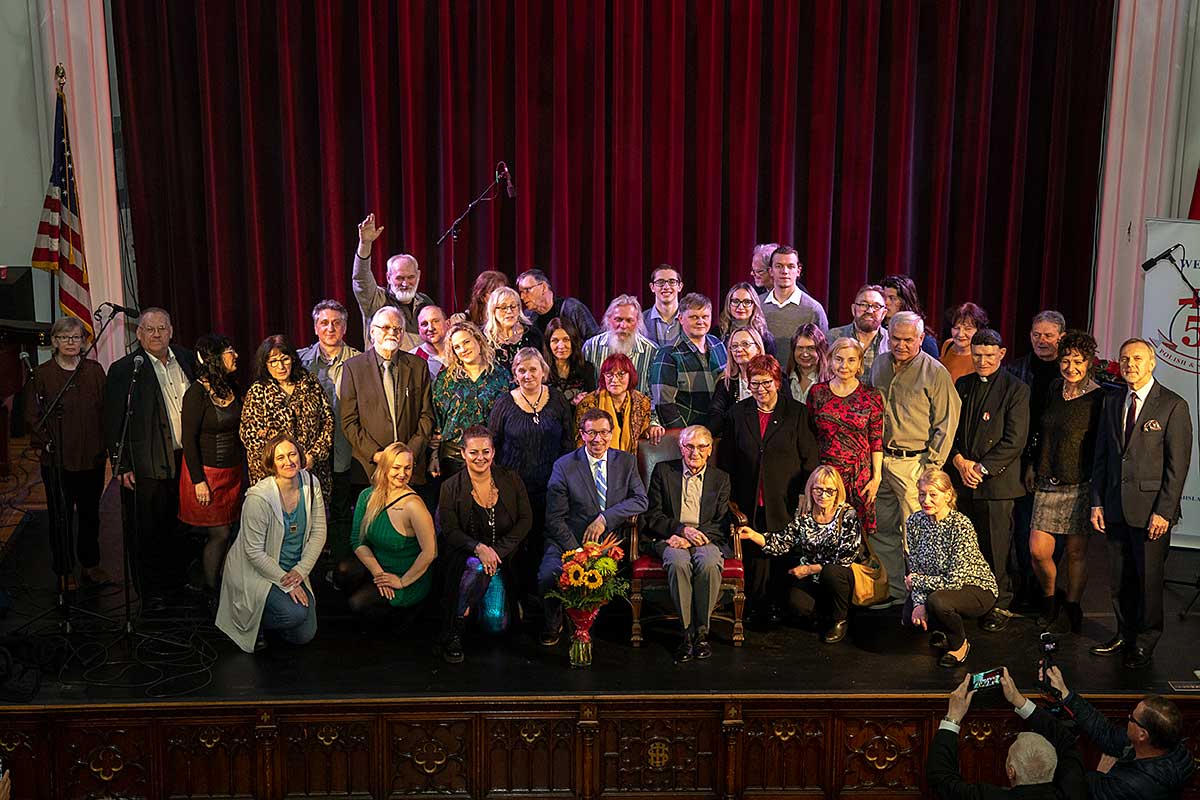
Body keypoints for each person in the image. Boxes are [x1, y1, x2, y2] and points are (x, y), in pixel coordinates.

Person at [1090, 338, 1192, 668]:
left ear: (1152, 363)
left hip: (1151, 512)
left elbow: (1177, 467)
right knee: (1119, 579)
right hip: (1114, 506)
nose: (1130, 364)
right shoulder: (1112, 401)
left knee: (1148, 581)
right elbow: (1102, 457)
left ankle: (1145, 642)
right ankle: (1124, 633)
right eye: (1125, 359)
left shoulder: (1173, 405)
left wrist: (1164, 511)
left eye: (1137, 358)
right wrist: (1096, 502)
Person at [103, 307, 198, 603]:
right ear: (139, 334)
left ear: (171, 331)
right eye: (150, 329)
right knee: (146, 529)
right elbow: (113, 421)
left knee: (180, 526)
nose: (157, 335)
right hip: (147, 462)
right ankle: (150, 592)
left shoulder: (186, 358)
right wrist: (121, 464)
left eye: (162, 328)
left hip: (186, 459)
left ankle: (178, 583)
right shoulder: (124, 370)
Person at [719, 355, 820, 624]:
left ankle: (778, 606)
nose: (761, 389)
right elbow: (726, 461)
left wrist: (804, 493)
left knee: (781, 553)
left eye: (766, 383)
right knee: (753, 554)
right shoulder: (737, 414)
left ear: (777, 382)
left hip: (784, 497)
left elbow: (810, 458)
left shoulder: (797, 412)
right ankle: (753, 606)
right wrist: (728, 499)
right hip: (747, 497)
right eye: (754, 384)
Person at [871, 311, 961, 605]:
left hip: (915, 464)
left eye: (908, 340)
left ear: (921, 338)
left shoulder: (935, 372)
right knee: (882, 530)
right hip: (880, 461)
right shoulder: (879, 364)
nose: (901, 345)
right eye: (895, 338)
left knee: (917, 535)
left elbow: (946, 423)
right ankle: (895, 592)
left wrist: (931, 468)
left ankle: (921, 599)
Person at [539, 408, 648, 645]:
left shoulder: (626, 461)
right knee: (548, 575)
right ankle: (553, 625)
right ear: (581, 434)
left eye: (603, 432)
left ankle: (593, 628)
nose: (598, 439)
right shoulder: (564, 466)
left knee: (608, 579)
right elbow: (555, 519)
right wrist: (578, 552)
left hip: (608, 541)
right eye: (591, 433)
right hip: (568, 539)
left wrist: (605, 518)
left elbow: (641, 500)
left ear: (611, 433)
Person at [947, 329, 1029, 633]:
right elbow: (952, 429)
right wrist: (959, 461)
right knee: (966, 546)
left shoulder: (1016, 389)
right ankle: (972, 599)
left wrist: (979, 469)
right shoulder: (963, 384)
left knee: (996, 547)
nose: (982, 361)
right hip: (963, 479)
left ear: (1002, 354)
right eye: (977, 355)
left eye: (989, 355)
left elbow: (1014, 440)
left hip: (996, 484)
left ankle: (1000, 604)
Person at [215, 434, 326, 652]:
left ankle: (273, 615)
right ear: (271, 463)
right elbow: (254, 552)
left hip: (293, 570)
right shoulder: (258, 498)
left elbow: (319, 532)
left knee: (304, 634)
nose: (289, 461)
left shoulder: (311, 484)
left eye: (292, 454)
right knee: (294, 614)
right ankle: (254, 623)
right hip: (259, 571)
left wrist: (300, 571)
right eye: (281, 457)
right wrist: (288, 584)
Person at [1027, 330, 1103, 633]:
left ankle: (1072, 605)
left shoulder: (1099, 397)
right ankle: (1049, 600)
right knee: (1038, 551)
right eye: (1066, 360)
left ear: (1089, 363)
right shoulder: (1054, 387)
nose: (1070, 367)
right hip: (1047, 479)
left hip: (1079, 484)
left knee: (1075, 553)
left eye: (1078, 361)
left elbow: (1100, 447)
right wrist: (1032, 464)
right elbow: (1042, 430)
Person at [24, 316, 108, 585]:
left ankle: (90, 565)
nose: (71, 342)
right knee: (60, 518)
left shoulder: (94, 371)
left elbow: (106, 410)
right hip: (58, 461)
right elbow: (32, 415)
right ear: (54, 342)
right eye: (64, 337)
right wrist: (46, 441)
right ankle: (63, 570)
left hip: (92, 458)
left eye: (76, 337)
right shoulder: (41, 374)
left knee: (90, 515)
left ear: (83, 342)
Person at [438, 426, 532, 662]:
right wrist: (479, 549)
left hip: (502, 559)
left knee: (495, 624)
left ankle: (476, 604)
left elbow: (525, 520)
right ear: (463, 453)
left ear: (493, 452)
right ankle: (455, 625)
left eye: (486, 451)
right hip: (466, 558)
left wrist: (496, 552)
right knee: (477, 566)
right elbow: (450, 531)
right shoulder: (450, 487)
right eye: (473, 452)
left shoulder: (511, 479)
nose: (480, 457)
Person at [489, 348, 575, 604]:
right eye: (522, 370)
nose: (528, 375)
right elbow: (493, 445)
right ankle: (518, 600)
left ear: (543, 371)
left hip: (551, 488)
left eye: (533, 369)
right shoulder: (504, 403)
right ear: (515, 374)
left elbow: (568, 443)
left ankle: (544, 599)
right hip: (514, 490)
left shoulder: (557, 400)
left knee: (544, 543)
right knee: (517, 544)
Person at [737, 466, 861, 643]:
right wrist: (753, 536)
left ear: (837, 491)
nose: (823, 495)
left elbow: (846, 557)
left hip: (838, 574)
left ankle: (840, 619)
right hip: (812, 578)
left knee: (831, 573)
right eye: (818, 489)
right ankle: (822, 614)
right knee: (796, 603)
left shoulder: (847, 514)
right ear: (810, 489)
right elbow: (783, 542)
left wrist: (810, 569)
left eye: (829, 491)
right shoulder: (804, 515)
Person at [643, 424, 731, 660]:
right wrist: (681, 531)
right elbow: (653, 514)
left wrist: (693, 538)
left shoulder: (720, 478)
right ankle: (686, 633)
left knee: (709, 563)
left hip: (705, 539)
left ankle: (701, 633)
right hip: (671, 537)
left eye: (702, 447)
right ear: (681, 448)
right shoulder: (663, 471)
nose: (695, 452)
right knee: (678, 562)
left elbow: (721, 521)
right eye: (689, 446)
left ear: (710, 449)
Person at [927, 668, 1085, 800]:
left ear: (1011, 771)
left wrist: (953, 716)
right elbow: (1067, 741)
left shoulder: (987, 797)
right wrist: (1019, 701)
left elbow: (941, 778)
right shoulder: (1073, 792)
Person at [340, 305, 435, 520]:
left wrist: (408, 455)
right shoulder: (353, 368)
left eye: (398, 329)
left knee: (410, 529)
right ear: (372, 332)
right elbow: (349, 421)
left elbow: (427, 415)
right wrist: (378, 455)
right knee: (372, 528)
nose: (392, 332)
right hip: (370, 468)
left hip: (410, 469)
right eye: (385, 327)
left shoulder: (418, 366)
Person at [1042, 665, 1194, 799]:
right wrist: (1066, 695)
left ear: (1142, 735)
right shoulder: (1172, 749)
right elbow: (1105, 732)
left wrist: (1103, 774)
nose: (1128, 719)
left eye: (1131, 718)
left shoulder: (1128, 785)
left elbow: (1081, 788)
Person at [903, 469, 997, 667]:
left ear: (948, 495)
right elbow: (916, 567)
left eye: (933, 494)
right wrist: (918, 603)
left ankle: (959, 645)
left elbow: (954, 580)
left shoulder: (960, 525)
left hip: (975, 587)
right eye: (922, 494)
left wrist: (917, 582)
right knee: (909, 617)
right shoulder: (914, 522)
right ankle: (943, 629)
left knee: (937, 602)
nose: (926, 500)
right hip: (937, 585)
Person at [338, 442, 437, 619]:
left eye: (407, 468)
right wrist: (379, 574)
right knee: (343, 571)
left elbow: (430, 553)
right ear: (384, 467)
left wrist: (402, 581)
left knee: (358, 604)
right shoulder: (367, 496)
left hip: (407, 575)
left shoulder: (414, 506)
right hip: (379, 566)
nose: (402, 474)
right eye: (396, 467)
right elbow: (357, 540)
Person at [1009, 309, 1067, 610]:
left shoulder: (1071, 372)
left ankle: (1048, 592)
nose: (1041, 340)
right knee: (1022, 529)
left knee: (1053, 533)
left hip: (1059, 467)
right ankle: (1025, 588)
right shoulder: (1016, 369)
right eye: (1036, 334)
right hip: (1021, 463)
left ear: (1061, 337)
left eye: (1048, 335)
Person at [179, 334, 244, 598]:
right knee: (220, 533)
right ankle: (210, 590)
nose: (235, 355)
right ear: (215, 358)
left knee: (232, 531)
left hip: (232, 473)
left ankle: (222, 582)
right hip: (206, 475)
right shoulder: (196, 394)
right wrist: (199, 481)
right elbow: (188, 441)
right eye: (230, 351)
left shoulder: (232, 386)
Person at [297, 300, 362, 558]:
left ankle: (340, 563)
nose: (330, 328)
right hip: (309, 452)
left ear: (345, 328)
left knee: (342, 509)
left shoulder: (359, 361)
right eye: (324, 323)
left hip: (346, 449)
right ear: (315, 327)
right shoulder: (299, 361)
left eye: (336, 323)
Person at [240, 335, 334, 499]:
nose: (281, 366)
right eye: (273, 361)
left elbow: (328, 421)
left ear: (293, 359)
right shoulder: (258, 391)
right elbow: (250, 436)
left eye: (285, 359)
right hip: (274, 477)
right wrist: (283, 463)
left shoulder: (310, 383)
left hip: (311, 470)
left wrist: (313, 455)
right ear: (265, 364)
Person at [807, 338, 884, 538]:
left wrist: (876, 478)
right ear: (830, 360)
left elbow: (876, 440)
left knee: (856, 536)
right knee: (824, 533)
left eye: (851, 360)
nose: (844, 366)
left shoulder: (872, 396)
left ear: (859, 363)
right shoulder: (817, 393)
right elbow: (810, 436)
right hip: (826, 476)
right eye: (839, 359)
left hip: (859, 477)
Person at [432, 321, 512, 476]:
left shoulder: (501, 376)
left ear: (478, 341)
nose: (463, 349)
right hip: (454, 456)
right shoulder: (444, 380)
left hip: (493, 455)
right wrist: (433, 456)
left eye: (466, 342)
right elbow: (437, 422)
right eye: (457, 347)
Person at [649, 293, 728, 428]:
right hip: (687, 433)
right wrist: (684, 434)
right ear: (680, 318)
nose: (700, 322)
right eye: (694, 317)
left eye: (705, 317)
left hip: (719, 430)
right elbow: (664, 404)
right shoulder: (668, 353)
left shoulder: (718, 345)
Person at [352, 213, 432, 346]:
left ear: (418, 275)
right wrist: (365, 244)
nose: (405, 283)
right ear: (388, 278)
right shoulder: (376, 300)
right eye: (399, 278)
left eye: (411, 277)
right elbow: (361, 278)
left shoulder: (425, 302)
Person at [581, 294, 661, 413]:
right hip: (598, 416)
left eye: (629, 320)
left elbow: (656, 396)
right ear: (608, 320)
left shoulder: (652, 351)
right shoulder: (591, 347)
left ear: (638, 322)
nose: (623, 326)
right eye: (618, 319)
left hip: (638, 416)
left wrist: (650, 420)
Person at [575, 353, 662, 452]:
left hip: (632, 459)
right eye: (609, 374)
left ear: (630, 376)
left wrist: (652, 428)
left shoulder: (642, 402)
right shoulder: (588, 404)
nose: (615, 380)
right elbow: (580, 442)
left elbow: (643, 431)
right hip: (596, 458)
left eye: (621, 374)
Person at [706, 327, 766, 437]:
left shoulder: (775, 380)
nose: (739, 349)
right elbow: (715, 416)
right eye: (734, 346)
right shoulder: (726, 383)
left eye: (745, 344)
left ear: (758, 348)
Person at [761, 246, 829, 343]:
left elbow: (823, 347)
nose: (785, 271)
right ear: (770, 271)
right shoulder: (757, 305)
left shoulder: (813, 309)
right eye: (779, 266)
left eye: (790, 266)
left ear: (798, 271)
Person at [516, 267, 600, 340]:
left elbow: (595, 342)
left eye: (527, 290)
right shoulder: (528, 317)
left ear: (544, 287)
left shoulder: (572, 308)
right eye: (521, 292)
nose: (522, 297)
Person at [827, 284, 889, 375]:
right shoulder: (833, 337)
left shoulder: (891, 342)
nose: (869, 311)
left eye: (876, 306)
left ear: (883, 314)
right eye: (863, 305)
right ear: (853, 309)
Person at [486, 285, 544, 369]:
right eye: (503, 307)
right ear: (493, 310)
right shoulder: (484, 339)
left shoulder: (532, 335)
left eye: (513, 306)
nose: (509, 311)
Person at [880, 275, 939, 356]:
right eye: (883, 297)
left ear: (905, 301)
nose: (886, 302)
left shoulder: (925, 342)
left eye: (892, 298)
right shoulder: (875, 332)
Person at [543, 317, 597, 404]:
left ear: (573, 341)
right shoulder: (541, 371)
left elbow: (591, 403)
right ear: (548, 344)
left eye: (566, 340)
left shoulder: (586, 369)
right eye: (555, 340)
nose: (561, 346)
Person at [718, 282, 777, 356]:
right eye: (735, 301)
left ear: (754, 306)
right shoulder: (717, 333)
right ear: (728, 304)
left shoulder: (765, 338)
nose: (740, 307)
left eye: (747, 302)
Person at [941, 302, 989, 382]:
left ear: (978, 330)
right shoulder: (948, 345)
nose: (960, 334)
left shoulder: (981, 356)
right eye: (956, 328)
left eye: (968, 329)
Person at [785, 324, 830, 403]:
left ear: (820, 350)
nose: (805, 354)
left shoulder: (831, 380)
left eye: (811, 348)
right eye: (800, 348)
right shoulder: (784, 379)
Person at [643, 264, 683, 347]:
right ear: (652, 287)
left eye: (672, 282)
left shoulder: (690, 318)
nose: (666, 287)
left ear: (680, 286)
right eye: (660, 282)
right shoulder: (641, 321)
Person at [410, 304, 448, 381]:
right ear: (419, 330)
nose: (430, 328)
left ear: (448, 324)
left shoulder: (461, 351)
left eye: (436, 321)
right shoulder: (411, 359)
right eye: (424, 324)